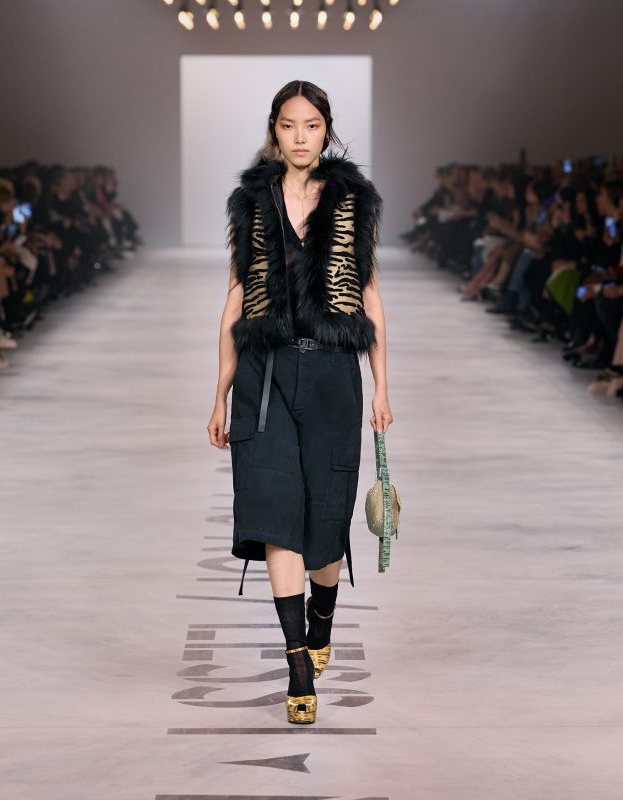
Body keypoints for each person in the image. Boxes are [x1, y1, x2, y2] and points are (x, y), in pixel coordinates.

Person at [208, 80, 393, 725]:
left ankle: (322, 621)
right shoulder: (250, 203)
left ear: (326, 130)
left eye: (311, 126)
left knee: (326, 524)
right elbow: (236, 298)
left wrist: (383, 386)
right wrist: (220, 392)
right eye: (288, 125)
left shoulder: (353, 202)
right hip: (264, 375)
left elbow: (369, 294)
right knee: (274, 509)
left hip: (334, 374)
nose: (300, 137)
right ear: (274, 130)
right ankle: (296, 663)